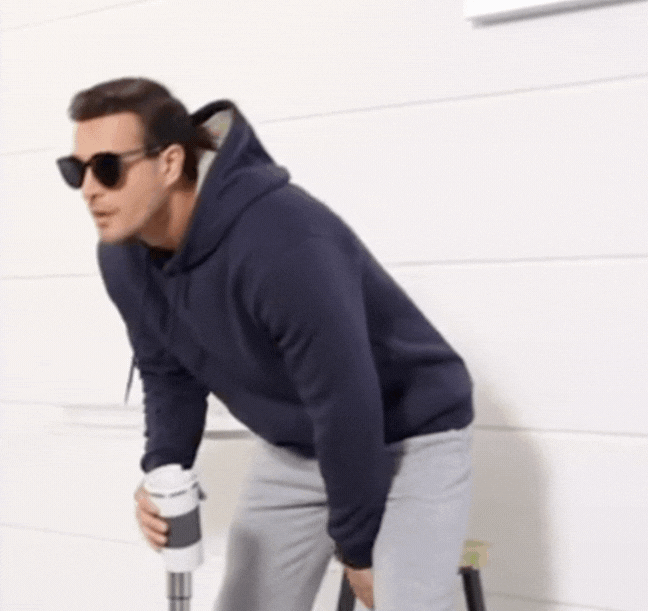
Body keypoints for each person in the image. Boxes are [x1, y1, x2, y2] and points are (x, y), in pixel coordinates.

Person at [57, 77, 474, 611]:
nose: (89, 190)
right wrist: (163, 471)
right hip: (298, 446)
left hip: (411, 434)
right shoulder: (123, 256)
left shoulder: (279, 241)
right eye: (76, 171)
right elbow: (168, 372)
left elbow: (346, 401)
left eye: (107, 168)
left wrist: (358, 547)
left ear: (169, 163)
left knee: (404, 603)